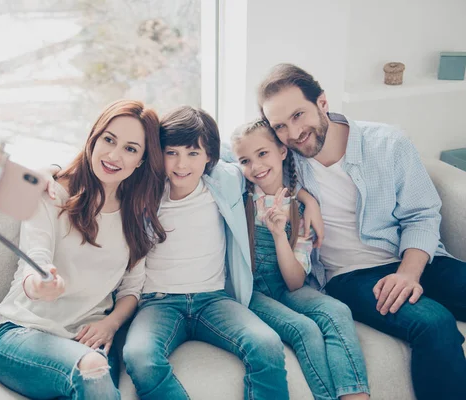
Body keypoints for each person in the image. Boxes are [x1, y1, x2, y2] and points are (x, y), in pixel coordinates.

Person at [257, 63, 466, 400]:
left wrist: (409, 273)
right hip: (349, 276)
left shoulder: (387, 143)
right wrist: (306, 199)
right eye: (280, 126)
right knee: (433, 323)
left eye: (298, 115)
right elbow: (227, 153)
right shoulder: (283, 160)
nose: (293, 133)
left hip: (410, 254)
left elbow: (423, 215)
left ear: (322, 103)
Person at [0, 99, 167, 400]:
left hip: (88, 340)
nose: (114, 155)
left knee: (94, 374)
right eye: (109, 140)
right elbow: (34, 262)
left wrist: (110, 324)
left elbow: (131, 290)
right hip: (23, 332)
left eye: (130, 148)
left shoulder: (136, 215)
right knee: (94, 369)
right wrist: (41, 285)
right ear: (93, 138)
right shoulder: (51, 193)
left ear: (141, 161)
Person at [121, 106, 291, 400]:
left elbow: (243, 153)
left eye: (193, 153)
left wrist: (305, 198)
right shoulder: (145, 191)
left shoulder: (224, 180)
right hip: (158, 303)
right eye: (171, 152)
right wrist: (54, 171)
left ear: (209, 156)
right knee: (140, 357)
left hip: (213, 299)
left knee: (267, 344)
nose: (181, 164)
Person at [231, 118, 370, 400]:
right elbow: (214, 159)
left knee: (338, 311)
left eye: (263, 154)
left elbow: (295, 283)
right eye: (245, 160)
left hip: (286, 285)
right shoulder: (238, 194)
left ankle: (355, 396)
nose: (255, 167)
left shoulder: (300, 209)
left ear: (283, 151)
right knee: (305, 329)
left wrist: (282, 233)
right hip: (250, 292)